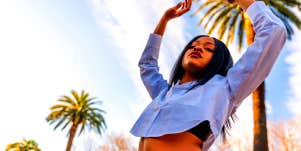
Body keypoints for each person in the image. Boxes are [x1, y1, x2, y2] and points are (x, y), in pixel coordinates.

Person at [130, 0, 287, 150]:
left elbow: (273, 31)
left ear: (218, 60)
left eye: (209, 49)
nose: (197, 48)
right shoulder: (164, 94)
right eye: (193, 46)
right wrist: (164, 20)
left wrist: (241, 1)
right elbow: (147, 65)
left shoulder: (226, 87)